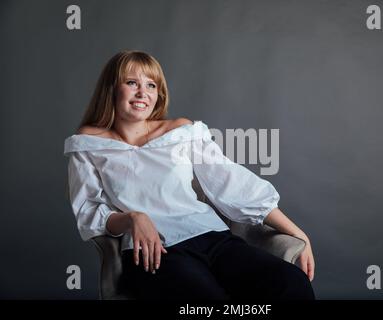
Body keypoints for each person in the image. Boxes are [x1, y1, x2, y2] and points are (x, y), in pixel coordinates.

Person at [63, 50, 315, 300]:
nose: (143, 93)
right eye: (132, 83)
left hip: (213, 238)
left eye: (151, 85)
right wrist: (132, 218)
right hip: (154, 252)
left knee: (291, 282)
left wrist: (297, 233)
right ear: (111, 88)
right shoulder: (88, 143)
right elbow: (89, 210)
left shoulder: (180, 131)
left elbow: (231, 183)